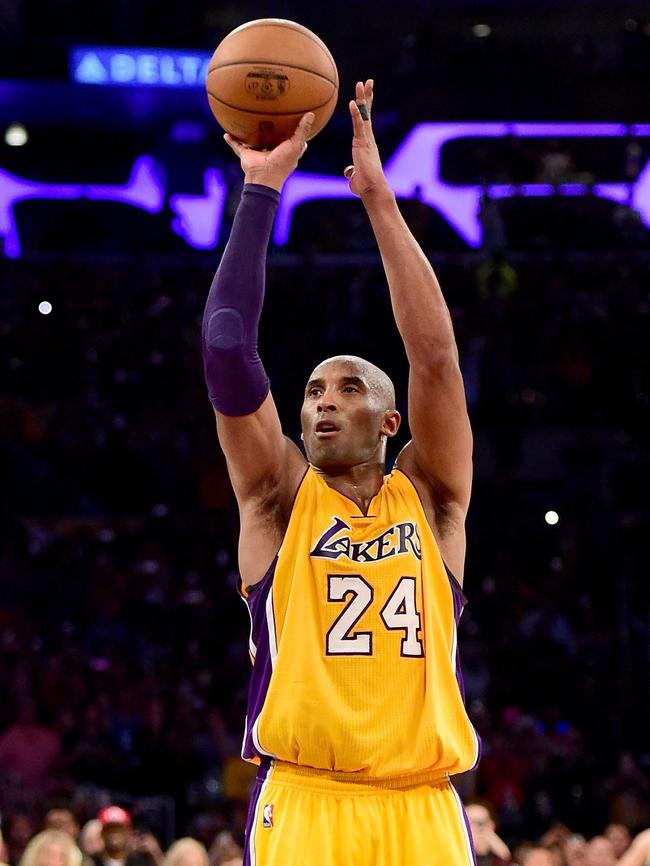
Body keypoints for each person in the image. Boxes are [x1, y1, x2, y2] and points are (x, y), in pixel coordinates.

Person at [202, 79, 479, 865]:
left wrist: (380, 201)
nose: (322, 403)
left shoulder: (431, 497)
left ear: (393, 422)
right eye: (313, 392)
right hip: (305, 798)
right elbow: (227, 348)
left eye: (348, 388)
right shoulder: (279, 498)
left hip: (423, 804)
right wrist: (261, 190)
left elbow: (435, 360)